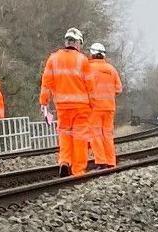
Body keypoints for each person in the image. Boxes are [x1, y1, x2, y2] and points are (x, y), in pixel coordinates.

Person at [40, 28, 94, 177]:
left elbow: (46, 83)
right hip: (81, 107)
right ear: (77, 43)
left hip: (62, 107)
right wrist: (93, 105)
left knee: (64, 135)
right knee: (80, 138)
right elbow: (90, 86)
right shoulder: (82, 60)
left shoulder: (53, 59)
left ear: (66, 41)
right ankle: (78, 170)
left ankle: (64, 161)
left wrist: (44, 103)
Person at [85, 42, 123, 170]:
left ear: (93, 54)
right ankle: (111, 161)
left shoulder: (88, 68)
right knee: (107, 134)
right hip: (109, 107)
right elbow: (118, 89)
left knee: (96, 134)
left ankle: (101, 162)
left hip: (94, 108)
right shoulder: (111, 69)